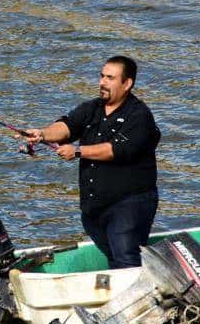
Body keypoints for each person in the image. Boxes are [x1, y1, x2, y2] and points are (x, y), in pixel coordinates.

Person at [20, 56, 160, 268]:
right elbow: (67, 126)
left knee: (125, 257)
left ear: (127, 83)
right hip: (94, 208)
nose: (102, 82)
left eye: (110, 78)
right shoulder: (91, 109)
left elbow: (115, 150)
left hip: (129, 204)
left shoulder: (139, 116)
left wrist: (77, 151)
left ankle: (138, 295)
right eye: (102, 76)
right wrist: (42, 134)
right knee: (114, 257)